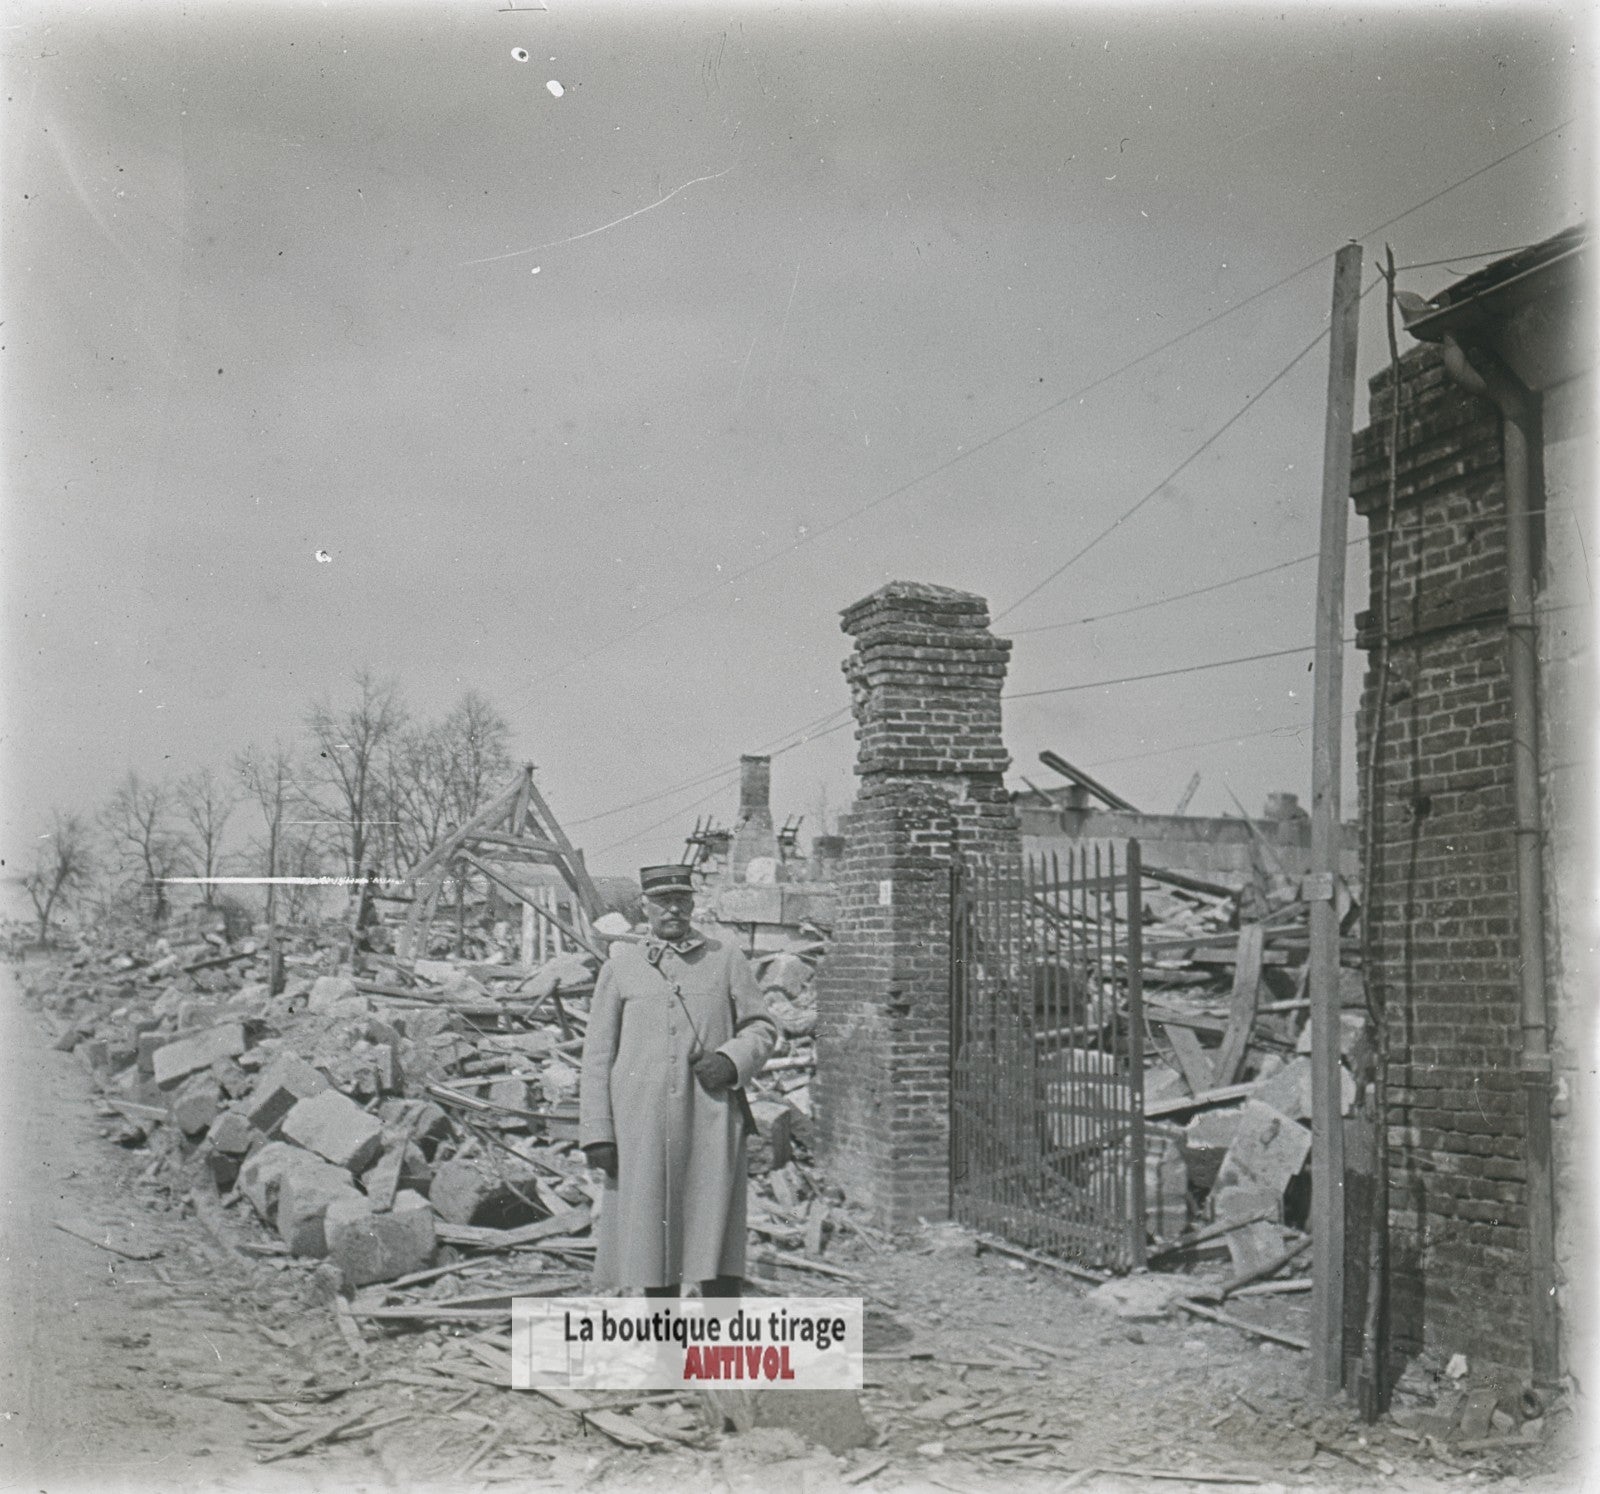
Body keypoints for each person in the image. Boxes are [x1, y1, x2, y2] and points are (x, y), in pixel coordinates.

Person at [580, 864, 777, 1298]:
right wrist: (598, 1132)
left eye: (681, 900)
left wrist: (730, 1060)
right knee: (654, 1250)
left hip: (710, 1121)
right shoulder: (621, 967)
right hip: (641, 1129)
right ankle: (666, 1360)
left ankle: (721, 1351)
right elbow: (597, 1056)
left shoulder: (725, 959)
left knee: (717, 1243)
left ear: (692, 904)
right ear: (644, 907)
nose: (672, 909)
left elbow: (762, 1028)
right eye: (662, 901)